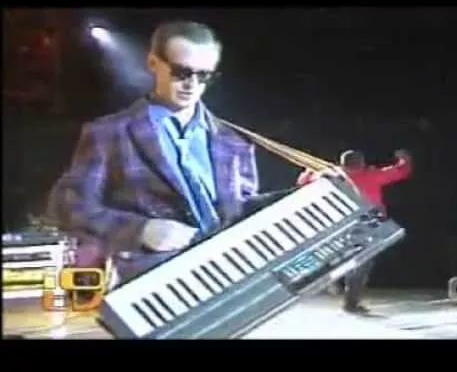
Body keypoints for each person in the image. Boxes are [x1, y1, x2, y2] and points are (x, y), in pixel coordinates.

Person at [46, 20, 265, 286]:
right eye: (181, 72)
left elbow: (243, 210)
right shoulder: (109, 133)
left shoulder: (233, 141)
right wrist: (141, 230)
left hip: (231, 272)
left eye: (204, 75)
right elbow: (68, 206)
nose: (192, 84)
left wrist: (301, 192)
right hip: (156, 280)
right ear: (153, 63)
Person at [296, 148, 413, 314]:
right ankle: (350, 302)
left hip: (337, 225)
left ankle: (332, 281)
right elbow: (401, 171)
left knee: (337, 257)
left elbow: (303, 182)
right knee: (361, 263)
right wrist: (404, 159)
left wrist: (309, 171)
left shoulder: (328, 176)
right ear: (362, 163)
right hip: (365, 225)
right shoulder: (371, 175)